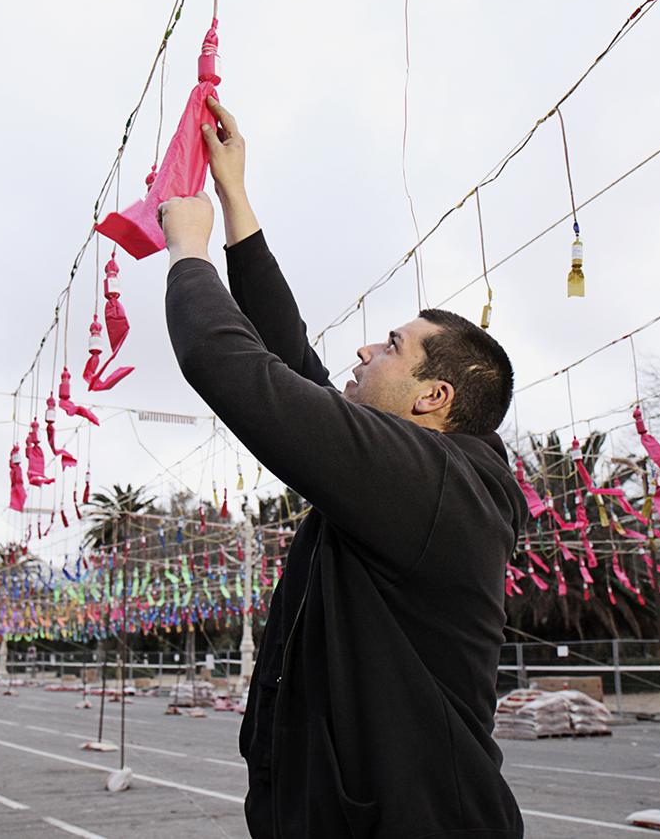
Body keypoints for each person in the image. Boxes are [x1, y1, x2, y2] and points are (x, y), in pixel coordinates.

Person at [160, 97, 527, 838]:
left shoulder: (436, 487)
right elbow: (292, 361)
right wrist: (235, 199)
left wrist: (188, 252)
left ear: (435, 395)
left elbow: (236, 370)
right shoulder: (416, 478)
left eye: (390, 345)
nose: (364, 350)